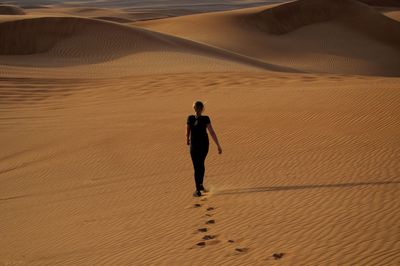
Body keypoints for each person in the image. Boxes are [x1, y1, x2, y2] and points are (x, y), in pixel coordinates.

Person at [186, 101, 222, 197]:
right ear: (202, 109)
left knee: (196, 167)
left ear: (194, 108)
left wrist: (187, 140)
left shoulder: (190, 118)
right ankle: (200, 186)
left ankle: (198, 189)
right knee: (201, 164)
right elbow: (212, 132)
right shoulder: (206, 118)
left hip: (194, 146)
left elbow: (187, 132)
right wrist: (218, 145)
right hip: (204, 145)